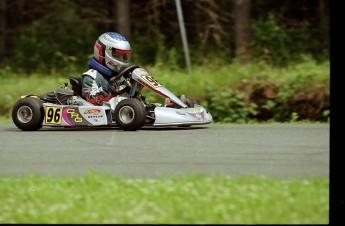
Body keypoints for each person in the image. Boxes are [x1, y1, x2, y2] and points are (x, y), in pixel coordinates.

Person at [81, 32, 132, 105]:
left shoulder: (115, 78)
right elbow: (90, 100)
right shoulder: (91, 76)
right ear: (102, 53)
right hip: (95, 114)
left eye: (123, 56)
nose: (121, 58)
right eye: (117, 55)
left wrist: (132, 89)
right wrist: (108, 88)